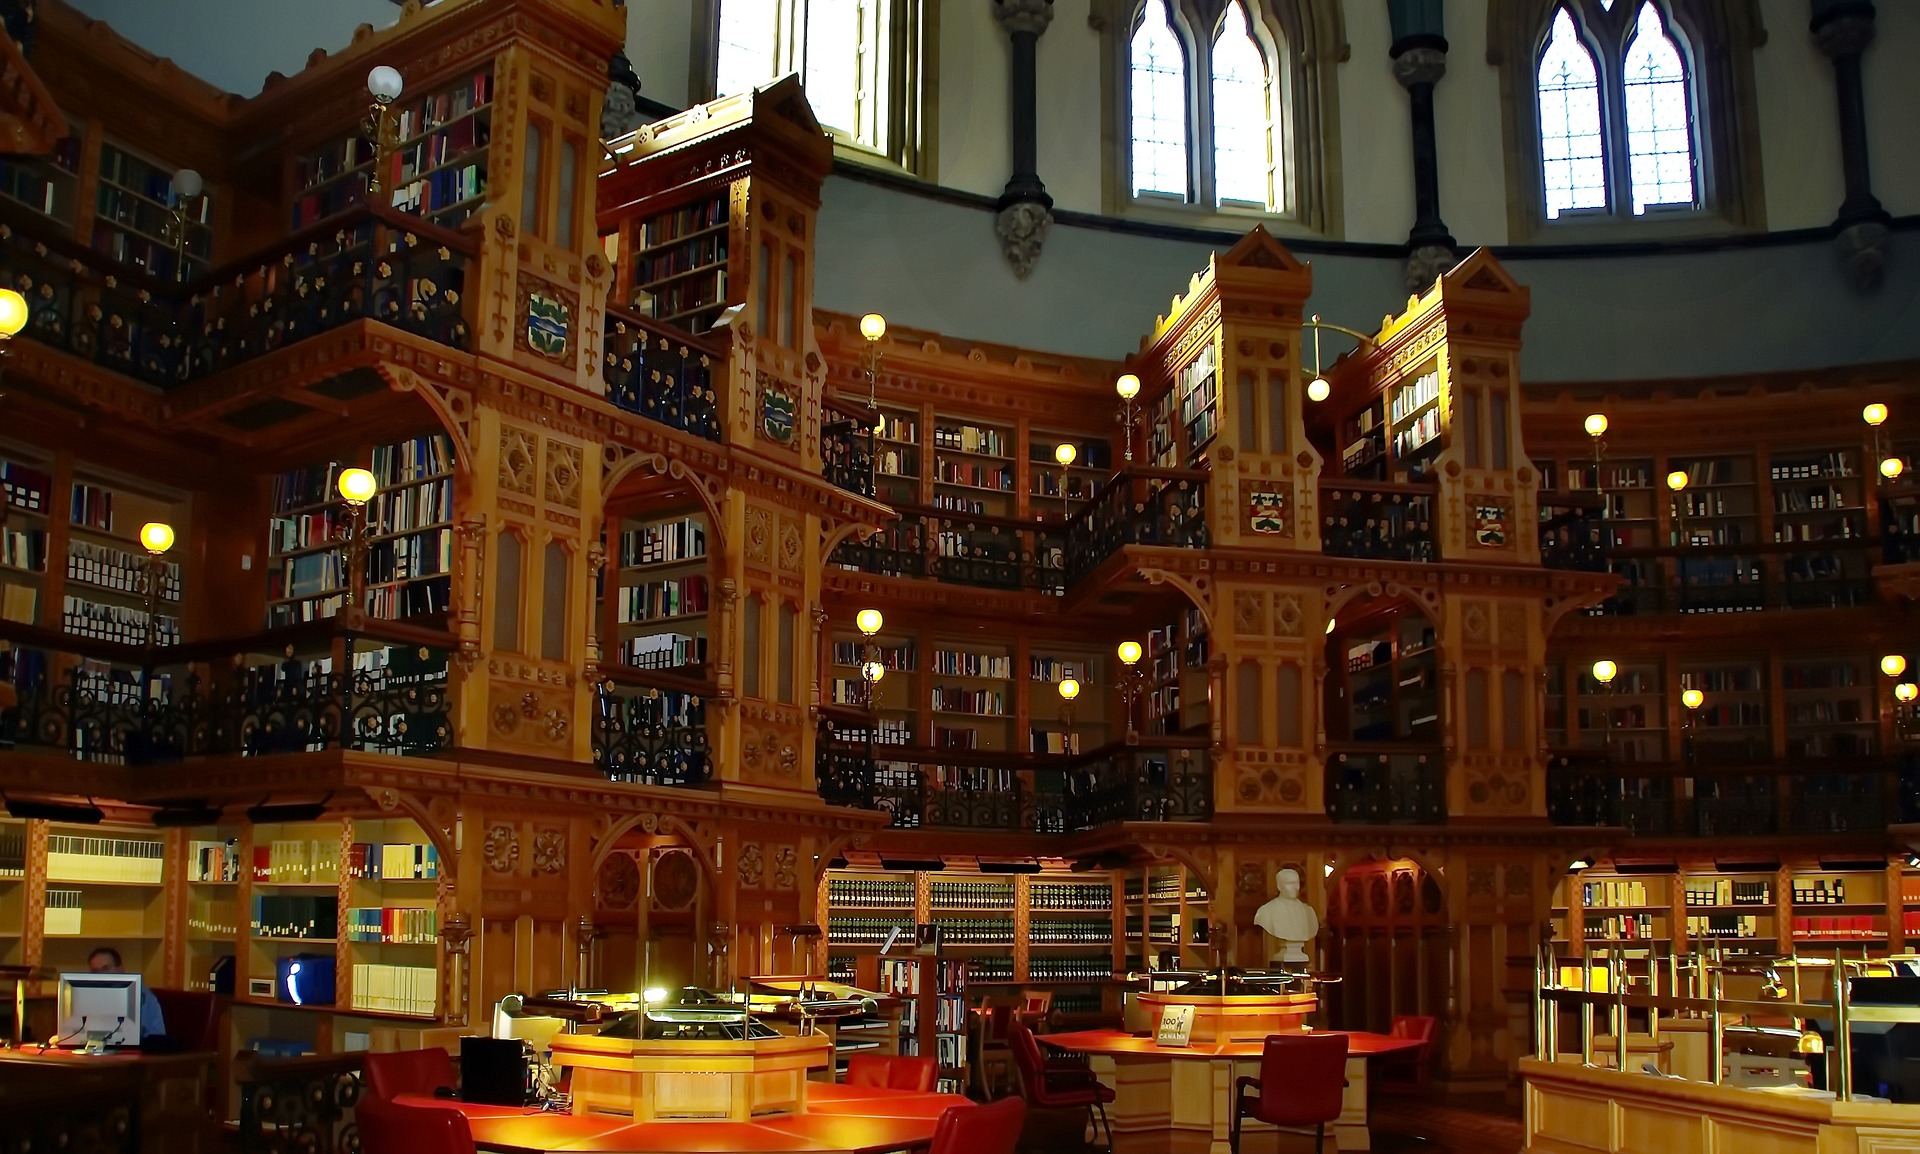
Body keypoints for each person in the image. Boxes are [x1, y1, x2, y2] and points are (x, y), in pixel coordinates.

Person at [87, 946, 165, 1042]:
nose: (101, 975)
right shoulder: (88, 997)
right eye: (95, 971)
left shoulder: (142, 996)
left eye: (106, 968)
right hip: (97, 1050)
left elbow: (143, 1035)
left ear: (121, 969)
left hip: (142, 1051)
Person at [1252, 868, 1319, 966]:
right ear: (1279, 886)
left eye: (1296, 883)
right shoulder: (1266, 911)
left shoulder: (1308, 911)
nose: (1295, 887)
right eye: (1289, 883)